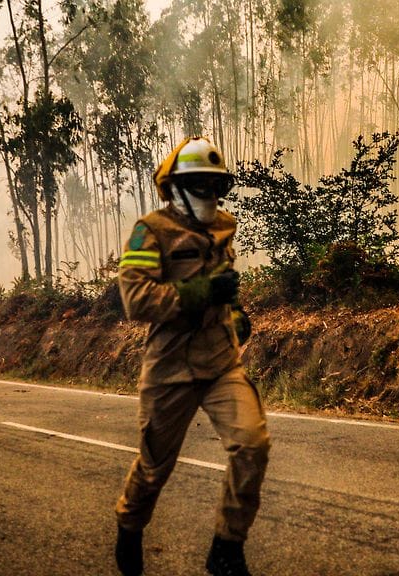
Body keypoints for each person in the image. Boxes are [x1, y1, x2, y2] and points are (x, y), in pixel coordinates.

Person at [114, 137, 270, 576]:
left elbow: (223, 282)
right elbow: (136, 298)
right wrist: (197, 293)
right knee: (153, 469)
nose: (210, 194)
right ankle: (129, 524)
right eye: (201, 184)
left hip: (221, 362)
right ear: (178, 187)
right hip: (170, 368)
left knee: (252, 445)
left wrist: (235, 311)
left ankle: (226, 549)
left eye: (216, 185)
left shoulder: (223, 227)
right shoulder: (152, 230)